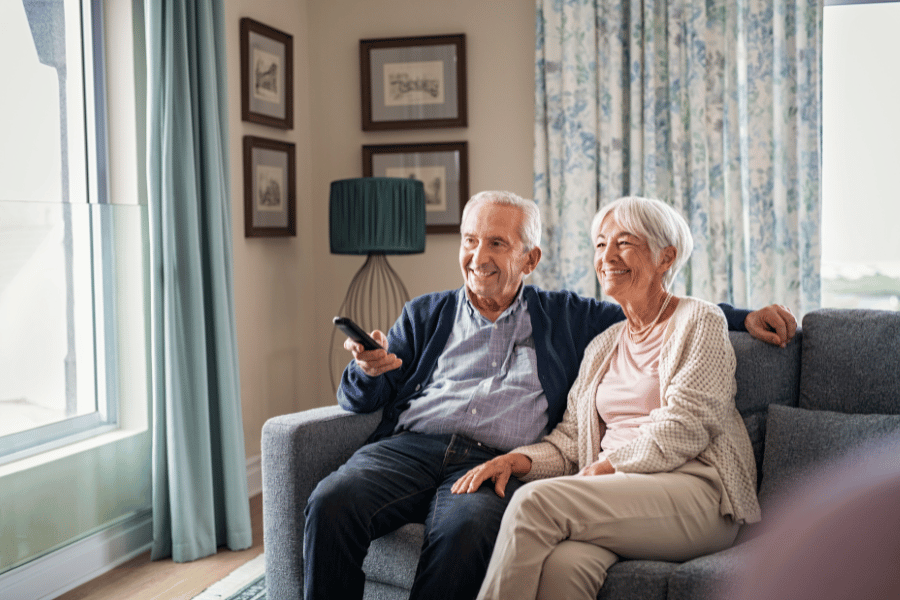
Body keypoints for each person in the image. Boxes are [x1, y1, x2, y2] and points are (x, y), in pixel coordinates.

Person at [304, 191, 794, 600]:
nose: (478, 257)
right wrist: (367, 370)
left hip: (512, 461)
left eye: (496, 242)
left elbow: (671, 311)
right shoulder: (426, 314)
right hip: (413, 448)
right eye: (470, 241)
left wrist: (744, 317)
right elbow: (362, 397)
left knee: (470, 531)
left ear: (530, 259)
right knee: (332, 500)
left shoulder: (573, 318)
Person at [452, 196, 763, 600]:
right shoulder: (603, 345)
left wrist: (608, 465)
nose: (607, 256)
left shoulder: (699, 320)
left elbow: (688, 425)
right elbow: (570, 440)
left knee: (533, 505)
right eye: (600, 244)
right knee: (563, 567)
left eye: (625, 242)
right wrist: (518, 460)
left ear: (665, 257)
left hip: (696, 494)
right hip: (620, 495)